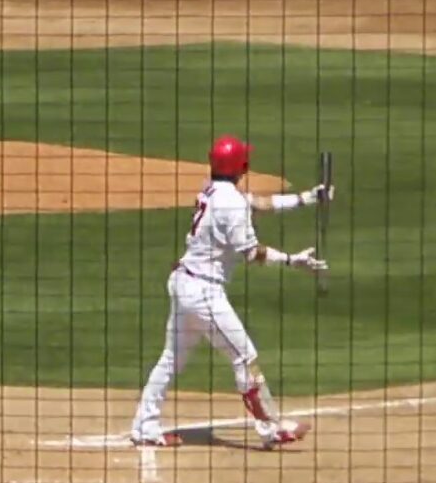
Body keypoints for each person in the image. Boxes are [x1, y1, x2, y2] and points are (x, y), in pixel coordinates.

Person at [130, 135, 335, 449]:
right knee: (244, 357)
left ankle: (145, 426)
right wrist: (292, 260)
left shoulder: (211, 190)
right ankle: (272, 429)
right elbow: (252, 253)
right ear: (243, 165)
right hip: (204, 294)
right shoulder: (232, 202)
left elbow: (259, 204)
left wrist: (308, 197)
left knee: (171, 359)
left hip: (184, 283)